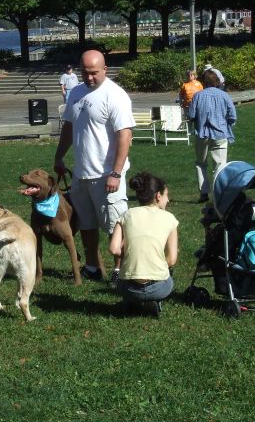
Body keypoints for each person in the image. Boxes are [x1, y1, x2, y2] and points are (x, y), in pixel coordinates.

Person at [54, 49, 135, 284]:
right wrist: (59, 157)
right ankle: (92, 267)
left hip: (107, 174)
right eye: (85, 72)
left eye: (94, 73)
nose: (89, 77)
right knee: (86, 224)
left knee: (115, 225)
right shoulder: (76, 93)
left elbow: (125, 136)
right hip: (82, 174)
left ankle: (120, 271)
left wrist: (116, 173)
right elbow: (69, 127)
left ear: (105, 69)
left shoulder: (115, 95)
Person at [109, 172, 178, 315]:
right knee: (169, 279)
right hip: (159, 287)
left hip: (127, 286)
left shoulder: (126, 215)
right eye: (166, 195)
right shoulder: (170, 218)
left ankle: (132, 301)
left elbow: (114, 249)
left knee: (127, 284)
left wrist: (127, 252)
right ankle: (154, 301)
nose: (168, 200)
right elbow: (172, 260)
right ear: (158, 196)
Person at [189, 70, 237, 203]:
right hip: (220, 133)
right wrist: (226, 124)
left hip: (202, 134)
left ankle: (204, 193)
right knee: (220, 165)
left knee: (201, 164)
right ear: (217, 82)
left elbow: (191, 115)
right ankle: (218, 192)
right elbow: (232, 116)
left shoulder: (198, 96)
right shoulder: (224, 96)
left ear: (204, 82)